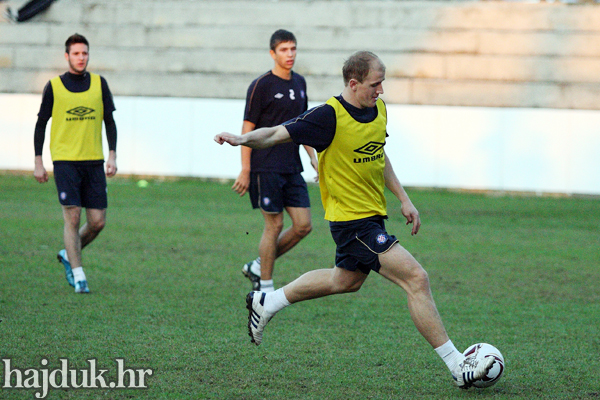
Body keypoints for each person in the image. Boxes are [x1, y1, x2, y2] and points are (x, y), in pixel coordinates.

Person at [214, 51, 495, 389]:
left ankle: (267, 301)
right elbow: (275, 134)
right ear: (353, 83)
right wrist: (243, 139)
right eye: (375, 84)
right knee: (416, 279)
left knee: (344, 281)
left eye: (382, 83)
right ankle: (456, 364)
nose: (380, 90)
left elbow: (379, 153)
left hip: (373, 217)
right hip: (352, 223)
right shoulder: (327, 117)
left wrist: (403, 199)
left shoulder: (378, 109)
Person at [233, 29, 318, 293]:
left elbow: (302, 126)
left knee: (303, 225)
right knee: (275, 224)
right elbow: (247, 129)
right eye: (284, 49)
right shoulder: (261, 85)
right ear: (272, 53)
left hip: (292, 166)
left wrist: (314, 158)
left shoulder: (300, 83)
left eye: (293, 48)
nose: (290, 54)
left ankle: (259, 265)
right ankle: (266, 287)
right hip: (265, 165)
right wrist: (245, 169)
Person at [33, 33, 117, 294]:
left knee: (97, 222)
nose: (81, 57)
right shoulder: (54, 86)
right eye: (76, 53)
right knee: (72, 215)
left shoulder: (99, 84)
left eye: (85, 53)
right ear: (67, 56)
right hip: (65, 161)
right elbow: (41, 124)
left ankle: (68, 253)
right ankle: (80, 276)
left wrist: (112, 154)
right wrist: (38, 161)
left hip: (93, 161)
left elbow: (109, 122)